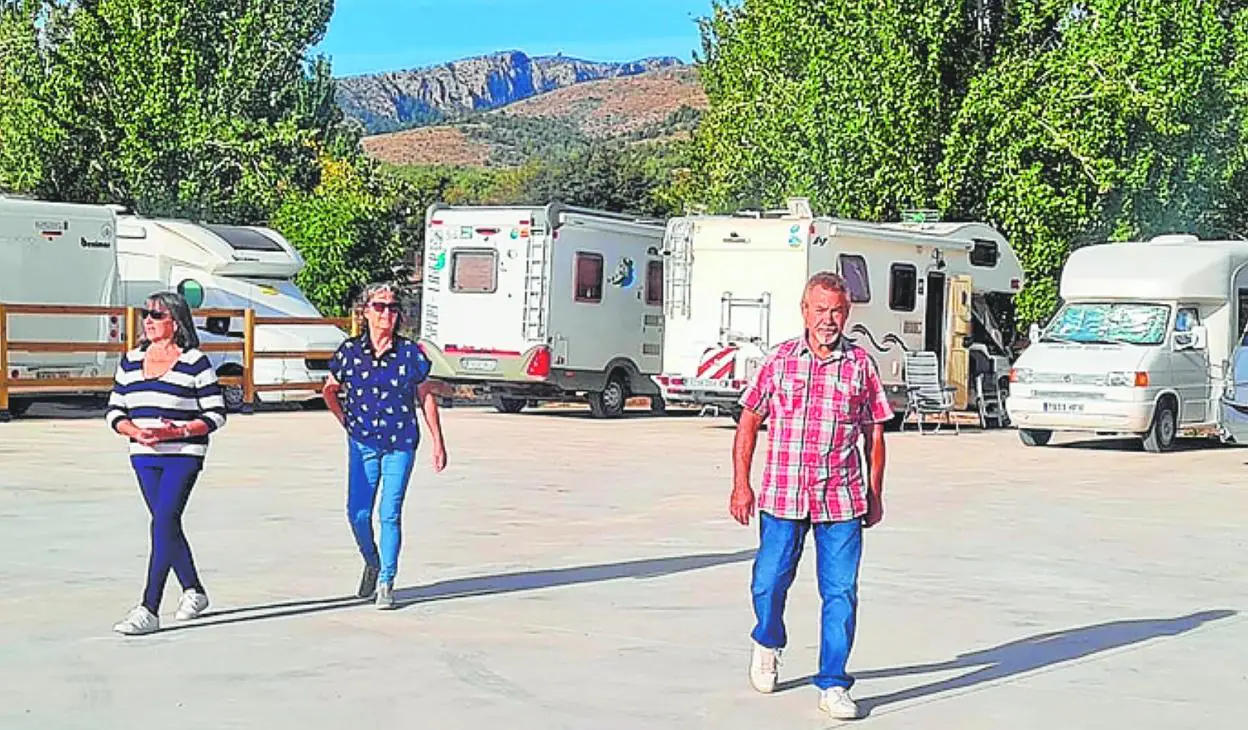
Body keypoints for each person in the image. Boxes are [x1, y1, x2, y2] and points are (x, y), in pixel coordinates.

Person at [729, 271, 892, 720]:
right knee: (768, 581)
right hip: (782, 497)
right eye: (820, 310)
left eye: (836, 311)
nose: (828, 319)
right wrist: (742, 483)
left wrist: (875, 492)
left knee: (840, 592)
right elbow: (748, 421)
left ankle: (834, 682)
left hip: (840, 500)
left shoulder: (860, 365)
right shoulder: (779, 360)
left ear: (848, 313)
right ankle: (767, 640)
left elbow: (873, 434)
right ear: (804, 310)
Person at [105, 291, 228, 636]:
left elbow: (216, 414)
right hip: (144, 455)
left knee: (163, 522)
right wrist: (132, 431)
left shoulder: (195, 361)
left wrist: (181, 430)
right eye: (146, 314)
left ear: (175, 323)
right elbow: (115, 410)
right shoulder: (130, 360)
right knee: (166, 525)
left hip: (184, 455)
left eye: (156, 315)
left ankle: (149, 607)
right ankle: (194, 590)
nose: (148, 320)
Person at [322, 283, 448, 609]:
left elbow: (425, 395)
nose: (386, 314)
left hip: (400, 443)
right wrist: (346, 422)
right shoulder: (349, 352)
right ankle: (372, 560)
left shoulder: (410, 354)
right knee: (358, 513)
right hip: (362, 442)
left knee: (389, 513)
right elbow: (330, 389)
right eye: (379, 307)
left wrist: (438, 441)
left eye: (392, 308)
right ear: (365, 312)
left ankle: (386, 581)